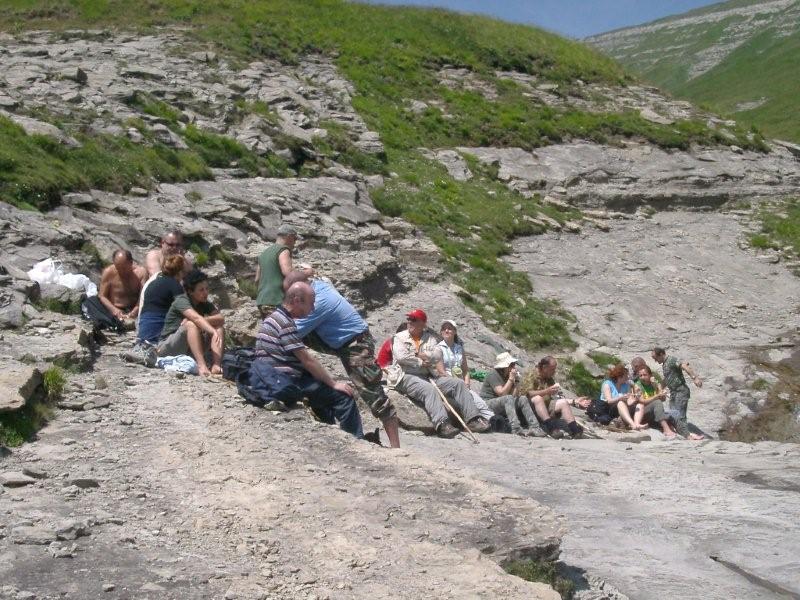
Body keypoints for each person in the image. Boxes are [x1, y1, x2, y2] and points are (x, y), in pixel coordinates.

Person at [282, 270, 401, 448]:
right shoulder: (317, 287)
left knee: (373, 394)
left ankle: (396, 448)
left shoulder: (319, 302)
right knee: (290, 332)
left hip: (356, 347)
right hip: (339, 341)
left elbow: (291, 332)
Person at [253, 281, 363, 438]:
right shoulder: (285, 323)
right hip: (283, 381)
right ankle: (356, 440)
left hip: (270, 377)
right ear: (297, 300)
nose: (312, 309)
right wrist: (334, 383)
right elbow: (307, 360)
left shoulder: (274, 317)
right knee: (344, 397)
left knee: (320, 391)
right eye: (311, 303)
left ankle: (330, 433)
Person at [392, 309, 491, 438]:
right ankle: (442, 424)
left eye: (413, 320)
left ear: (423, 324)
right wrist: (421, 361)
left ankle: (472, 419)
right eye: (409, 319)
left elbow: (437, 355)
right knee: (429, 389)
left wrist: (421, 355)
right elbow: (401, 357)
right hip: (406, 375)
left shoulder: (430, 338)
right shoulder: (399, 337)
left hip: (428, 374)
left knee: (458, 383)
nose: (409, 322)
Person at [157, 269, 225, 377]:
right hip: (169, 347)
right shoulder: (181, 300)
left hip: (190, 347)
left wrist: (208, 323)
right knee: (190, 325)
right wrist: (211, 330)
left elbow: (220, 318)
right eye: (201, 290)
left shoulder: (204, 303)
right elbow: (196, 318)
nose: (205, 293)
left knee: (218, 327)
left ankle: (216, 365)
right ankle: (202, 366)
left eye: (207, 289)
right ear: (190, 291)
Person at [435, 319, 494, 421]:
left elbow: (465, 370)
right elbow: (441, 372)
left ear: (455, 331)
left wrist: (467, 382)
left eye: (449, 328)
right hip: (448, 382)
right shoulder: (438, 348)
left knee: (481, 404)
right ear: (441, 332)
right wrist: (459, 382)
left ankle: (494, 421)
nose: (446, 330)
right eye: (444, 329)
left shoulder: (459, 348)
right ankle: (473, 420)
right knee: (470, 401)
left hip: (461, 383)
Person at [520, 355, 588, 439]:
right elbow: (528, 393)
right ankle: (552, 429)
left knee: (563, 403)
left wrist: (575, 401)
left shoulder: (549, 379)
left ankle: (575, 430)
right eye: (552, 369)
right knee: (538, 398)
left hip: (544, 407)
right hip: (528, 409)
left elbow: (558, 397)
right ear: (544, 367)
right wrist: (546, 391)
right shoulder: (531, 374)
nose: (554, 372)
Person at [479, 352, 544, 436]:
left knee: (522, 398)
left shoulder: (508, 376)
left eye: (514, 364)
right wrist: (510, 379)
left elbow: (513, 396)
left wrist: (516, 383)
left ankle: (535, 427)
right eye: (511, 365)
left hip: (503, 402)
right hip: (487, 403)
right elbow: (502, 393)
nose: (514, 367)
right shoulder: (493, 375)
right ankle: (515, 428)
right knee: (508, 398)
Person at [652, 347, 705, 440]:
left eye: (655, 358)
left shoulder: (671, 360)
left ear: (661, 354)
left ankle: (687, 435)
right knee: (673, 415)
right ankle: (681, 433)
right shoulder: (665, 364)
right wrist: (659, 388)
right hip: (673, 393)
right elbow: (668, 378)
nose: (655, 361)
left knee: (680, 415)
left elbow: (684, 366)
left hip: (681, 391)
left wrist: (695, 378)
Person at [137, 255, 185, 345]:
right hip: (158, 339)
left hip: (142, 334)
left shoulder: (152, 283)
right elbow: (187, 312)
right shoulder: (175, 286)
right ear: (180, 272)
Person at [254, 224, 297, 318]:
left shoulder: (264, 254)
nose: (295, 242)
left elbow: (257, 280)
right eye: (295, 239)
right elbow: (287, 272)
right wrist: (306, 273)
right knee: (282, 327)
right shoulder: (283, 250)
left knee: (269, 326)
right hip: (277, 300)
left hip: (262, 301)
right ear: (289, 236)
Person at [97, 249, 147, 327]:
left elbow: (143, 295)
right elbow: (102, 296)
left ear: (131, 263)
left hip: (135, 308)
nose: (121, 271)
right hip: (115, 308)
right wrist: (115, 310)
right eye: (118, 268)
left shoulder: (141, 273)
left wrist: (135, 311)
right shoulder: (109, 272)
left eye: (124, 268)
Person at [632, 365, 677, 439]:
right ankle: (666, 429)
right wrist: (656, 396)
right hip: (643, 412)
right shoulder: (638, 385)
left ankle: (686, 433)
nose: (642, 377)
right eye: (640, 376)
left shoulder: (654, 384)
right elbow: (642, 401)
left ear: (650, 375)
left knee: (674, 413)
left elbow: (663, 399)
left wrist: (657, 387)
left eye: (645, 375)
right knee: (657, 402)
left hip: (654, 412)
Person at [595, 363, 644, 430]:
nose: (627, 377)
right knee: (620, 402)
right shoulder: (607, 384)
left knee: (640, 405)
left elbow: (628, 402)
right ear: (620, 377)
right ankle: (632, 424)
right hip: (608, 408)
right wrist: (620, 398)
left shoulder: (626, 385)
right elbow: (609, 401)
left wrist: (635, 399)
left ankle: (637, 423)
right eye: (626, 376)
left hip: (622, 407)